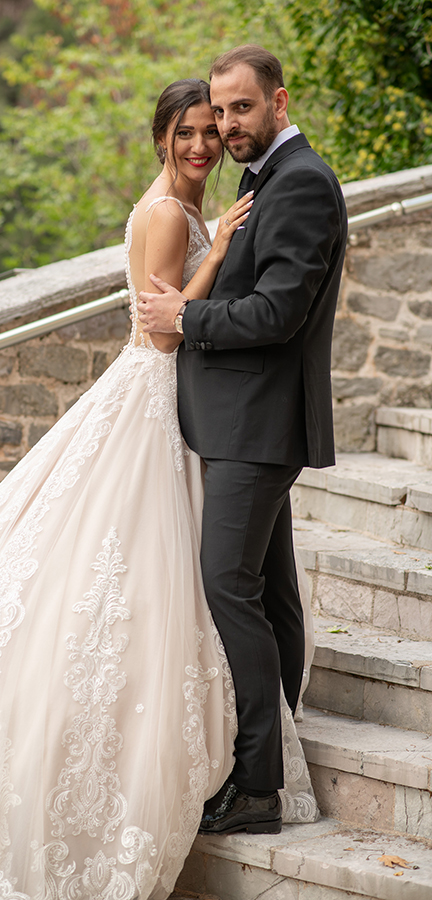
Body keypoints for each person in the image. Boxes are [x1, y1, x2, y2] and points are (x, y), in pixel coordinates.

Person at [0, 78, 317, 900]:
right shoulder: (167, 213)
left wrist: (225, 240)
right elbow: (157, 321)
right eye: (186, 133)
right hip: (154, 392)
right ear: (160, 137)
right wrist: (224, 255)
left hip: (194, 407)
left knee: (200, 575)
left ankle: (259, 734)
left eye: (211, 130)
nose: (201, 145)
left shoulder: (207, 205)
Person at [138, 46, 348, 836]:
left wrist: (185, 318)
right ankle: (277, 746)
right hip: (244, 421)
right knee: (270, 588)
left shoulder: (300, 184)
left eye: (240, 109)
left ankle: (257, 785)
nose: (226, 126)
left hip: (255, 425)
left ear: (280, 103)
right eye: (218, 113)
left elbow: (276, 313)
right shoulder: (267, 179)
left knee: (228, 583)